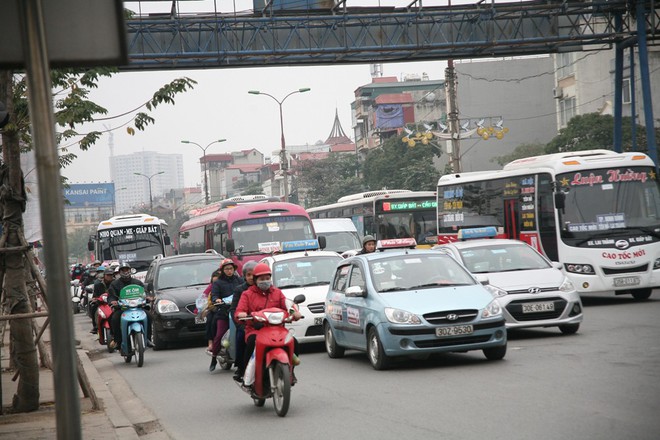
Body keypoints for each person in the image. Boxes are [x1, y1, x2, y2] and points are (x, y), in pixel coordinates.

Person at [235, 263, 302, 384]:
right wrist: (242, 314)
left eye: (267, 278)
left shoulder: (277, 292)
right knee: (251, 343)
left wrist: (295, 313)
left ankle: (291, 371)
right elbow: (240, 310)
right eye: (261, 279)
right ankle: (246, 374)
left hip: (278, 330)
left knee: (294, 342)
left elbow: (288, 306)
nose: (265, 281)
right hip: (255, 330)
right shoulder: (247, 294)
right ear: (255, 280)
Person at [108, 262, 154, 351]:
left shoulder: (137, 283)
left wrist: (148, 297)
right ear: (119, 272)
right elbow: (111, 296)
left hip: (138, 308)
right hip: (122, 309)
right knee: (114, 319)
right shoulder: (114, 284)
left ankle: (148, 338)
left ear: (130, 271)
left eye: (127, 270)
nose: (125, 272)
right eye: (123, 270)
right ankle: (117, 340)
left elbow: (145, 292)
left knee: (149, 316)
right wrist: (112, 301)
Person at [209, 258, 243, 372]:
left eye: (231, 268)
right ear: (222, 270)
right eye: (227, 269)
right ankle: (214, 358)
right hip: (224, 312)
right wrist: (217, 300)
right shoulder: (218, 283)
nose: (229, 271)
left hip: (238, 312)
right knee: (219, 335)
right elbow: (214, 295)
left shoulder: (239, 280)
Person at [229, 260, 257, 381]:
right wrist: (241, 324)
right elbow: (234, 309)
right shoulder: (240, 290)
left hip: (264, 324)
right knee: (241, 338)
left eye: (254, 275)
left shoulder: (269, 289)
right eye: (248, 275)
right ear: (244, 276)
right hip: (246, 324)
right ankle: (241, 367)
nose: (251, 278)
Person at [88, 266, 114, 334]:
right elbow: (95, 295)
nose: (109, 276)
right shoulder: (98, 285)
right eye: (108, 275)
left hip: (113, 302)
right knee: (93, 306)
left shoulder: (115, 284)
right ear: (104, 275)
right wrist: (95, 299)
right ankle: (95, 326)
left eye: (111, 275)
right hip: (101, 303)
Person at [202, 269, 222, 355]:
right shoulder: (211, 290)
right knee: (211, 320)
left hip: (226, 309)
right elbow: (206, 300)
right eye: (214, 282)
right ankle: (211, 342)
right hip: (214, 309)